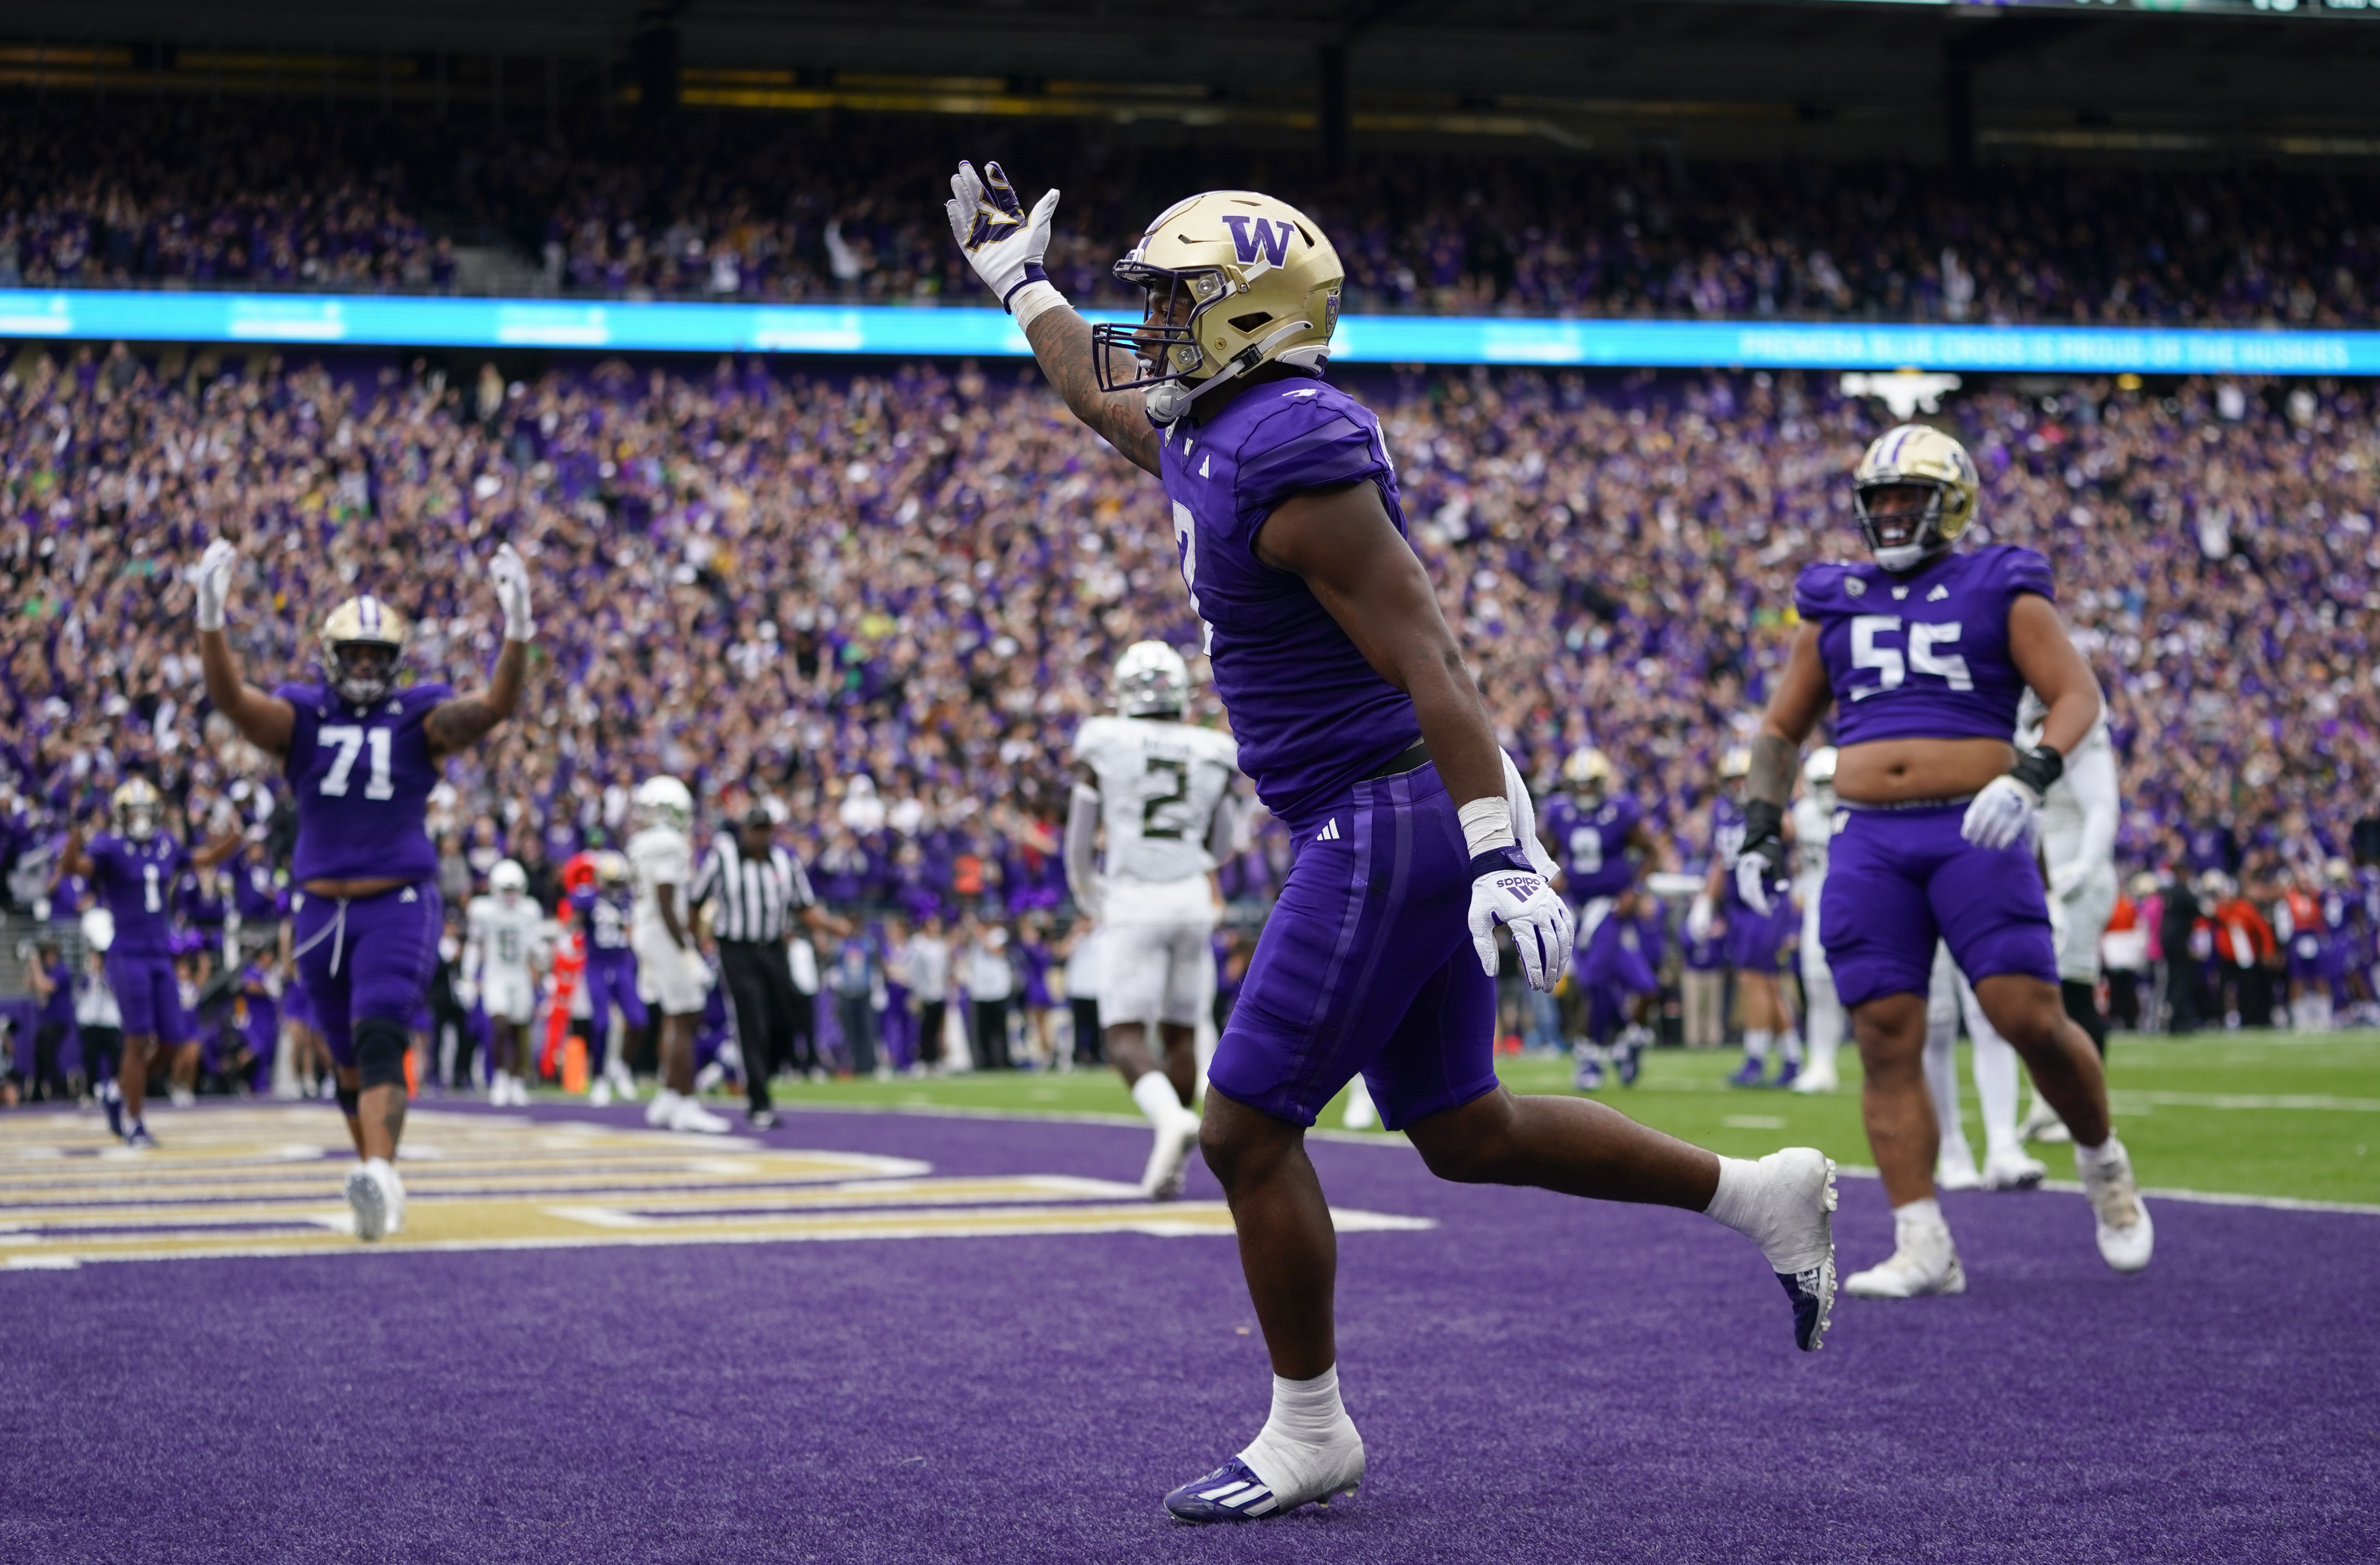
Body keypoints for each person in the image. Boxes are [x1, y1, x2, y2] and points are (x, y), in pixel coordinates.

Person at [949, 159, 1837, 1523]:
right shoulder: (1215, 425)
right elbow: (1093, 389)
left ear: (1251, 318)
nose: (1151, 328)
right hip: (1377, 802)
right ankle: (1756, 1196)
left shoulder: (1295, 450)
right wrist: (1019, 279)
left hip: (1393, 804)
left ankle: (1309, 1429)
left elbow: (1433, 662)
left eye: (1176, 303)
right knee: (1461, 1127)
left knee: (1243, 1128)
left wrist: (1498, 849)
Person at [1732, 422, 2152, 1299]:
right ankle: (1921, 1238)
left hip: (1977, 828)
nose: (1887, 512)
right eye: (1876, 498)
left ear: (1950, 503)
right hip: (1868, 838)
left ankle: (2100, 1161)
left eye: (1905, 496)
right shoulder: (1834, 598)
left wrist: (2031, 776)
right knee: (1885, 1036)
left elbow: (2076, 694)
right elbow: (1780, 728)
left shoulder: (2000, 584)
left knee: (2025, 1016)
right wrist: (1758, 826)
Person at [196, 536, 535, 1240]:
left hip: (396, 898)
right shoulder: (300, 716)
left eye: (377, 657)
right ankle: (375, 1180)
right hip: (319, 905)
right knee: (345, 1057)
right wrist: (209, 619)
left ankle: (381, 1169)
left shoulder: (421, 716)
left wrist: (518, 629)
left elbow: (496, 705)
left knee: (381, 1030)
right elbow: (232, 699)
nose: (365, 667)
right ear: (331, 656)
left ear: (396, 663)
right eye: (354, 654)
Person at [1066, 640, 1243, 1197]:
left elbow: (1079, 836)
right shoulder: (1210, 748)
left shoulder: (1104, 739)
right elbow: (1223, 843)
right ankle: (1181, 1154)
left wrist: (1086, 890)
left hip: (1133, 897)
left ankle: (1170, 1121)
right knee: (1182, 1032)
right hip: (1191, 899)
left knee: (1122, 1035)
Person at [57, 779, 241, 1146]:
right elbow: (73, 867)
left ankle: (116, 1091)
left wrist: (235, 837)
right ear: (122, 815)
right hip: (127, 952)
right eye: (134, 811)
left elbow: (202, 859)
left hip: (160, 953)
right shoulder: (110, 846)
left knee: (173, 1041)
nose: (141, 818)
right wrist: (76, 831)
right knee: (138, 1039)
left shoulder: (166, 844)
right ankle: (135, 1121)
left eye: (146, 811)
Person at [695, 804, 848, 1126]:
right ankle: (759, 1101)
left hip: (774, 949)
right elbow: (695, 901)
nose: (760, 836)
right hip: (737, 950)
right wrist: (696, 941)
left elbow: (803, 906)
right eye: (755, 830)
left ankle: (767, 1073)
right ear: (744, 830)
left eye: (765, 830)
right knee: (752, 1020)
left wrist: (832, 925)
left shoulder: (784, 861)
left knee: (788, 1015)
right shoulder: (722, 859)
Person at [1538, 746, 1671, 1091]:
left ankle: (1608, 1047)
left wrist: (1635, 889)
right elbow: (1546, 855)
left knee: (1615, 982)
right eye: (1578, 784)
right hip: (1580, 909)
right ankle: (1603, 1048)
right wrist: (1549, 881)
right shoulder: (1559, 813)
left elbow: (1652, 850)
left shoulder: (1619, 811)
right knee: (1609, 981)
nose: (1583, 791)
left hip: (1612, 908)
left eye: (1589, 784)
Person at [627, 777, 731, 1134]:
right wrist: (687, 949)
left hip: (647, 930)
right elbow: (666, 898)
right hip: (662, 932)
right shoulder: (668, 843)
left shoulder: (641, 842)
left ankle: (669, 1096)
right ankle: (686, 1103)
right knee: (687, 1014)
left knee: (675, 1014)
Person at [1708, 748, 1801, 1087]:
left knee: (1753, 978)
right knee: (1767, 982)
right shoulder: (1721, 812)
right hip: (1738, 906)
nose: (1737, 785)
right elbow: (1720, 860)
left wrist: (1767, 807)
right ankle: (1791, 1057)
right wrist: (1706, 901)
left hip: (1767, 901)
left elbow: (1792, 832)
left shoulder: (1768, 804)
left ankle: (1756, 1057)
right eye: (1732, 778)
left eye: (1743, 777)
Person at [465, 858, 549, 1106]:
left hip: (520, 975)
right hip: (496, 975)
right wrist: (469, 977)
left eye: (514, 890)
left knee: (519, 1029)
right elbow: (475, 944)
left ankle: (516, 1080)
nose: (511, 896)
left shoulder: (529, 910)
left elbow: (535, 943)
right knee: (500, 1025)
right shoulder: (485, 911)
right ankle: (501, 1077)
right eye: (506, 890)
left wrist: (543, 962)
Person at [1789, 748, 1845, 1092]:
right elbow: (1799, 860)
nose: (1827, 791)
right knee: (1816, 985)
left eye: (1832, 783)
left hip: (1854, 904)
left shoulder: (1856, 809)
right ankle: (1821, 1062)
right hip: (1816, 906)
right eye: (1821, 784)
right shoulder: (1803, 814)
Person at [571, 850, 645, 1103]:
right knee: (601, 1024)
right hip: (598, 965)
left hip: (623, 964)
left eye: (618, 882)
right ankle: (600, 1077)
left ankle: (620, 1066)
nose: (615, 888)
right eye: (611, 882)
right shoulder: (590, 899)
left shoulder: (629, 900)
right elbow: (575, 911)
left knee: (639, 1021)